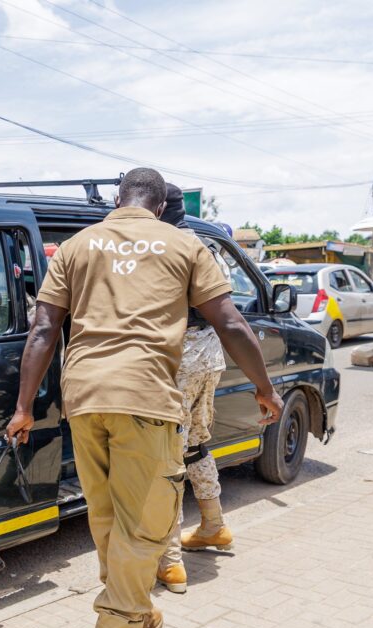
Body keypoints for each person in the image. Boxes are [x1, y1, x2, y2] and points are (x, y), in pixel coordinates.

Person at [5, 168, 284, 628]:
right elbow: (229, 323)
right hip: (145, 398)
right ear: (159, 207)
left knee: (108, 517)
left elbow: (43, 329)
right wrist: (265, 388)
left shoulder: (77, 246)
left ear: (118, 200)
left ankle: (134, 613)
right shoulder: (185, 244)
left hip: (84, 399)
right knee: (147, 525)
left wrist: (23, 408)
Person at [156, 184, 234, 594]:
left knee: (167, 453)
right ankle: (213, 524)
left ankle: (170, 562)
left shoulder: (165, 245)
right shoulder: (207, 244)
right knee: (195, 443)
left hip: (180, 358)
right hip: (210, 355)